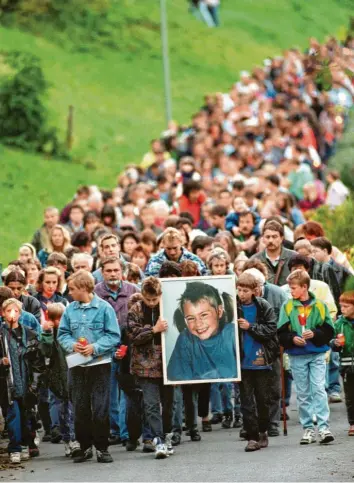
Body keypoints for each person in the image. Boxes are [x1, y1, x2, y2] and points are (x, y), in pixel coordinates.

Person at [57, 270, 120, 463]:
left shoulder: (104, 308)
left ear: (84, 288)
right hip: (77, 365)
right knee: (80, 408)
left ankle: (102, 447)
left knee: (100, 407)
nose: (70, 292)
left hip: (99, 364)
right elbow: (63, 334)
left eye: (73, 289)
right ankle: (84, 447)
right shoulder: (70, 309)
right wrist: (71, 345)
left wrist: (95, 347)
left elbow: (114, 335)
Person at [277, 270, 335, 445]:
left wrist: (315, 334)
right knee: (302, 393)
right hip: (297, 355)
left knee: (318, 388)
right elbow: (281, 332)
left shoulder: (320, 306)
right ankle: (308, 428)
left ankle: (324, 427)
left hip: (317, 353)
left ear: (304, 287)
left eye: (293, 288)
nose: (291, 291)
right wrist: (292, 339)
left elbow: (329, 330)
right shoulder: (287, 306)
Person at [127, 277, 175, 459]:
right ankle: (158, 439)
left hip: (167, 363)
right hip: (145, 365)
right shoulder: (135, 310)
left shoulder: (167, 307)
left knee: (169, 403)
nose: (152, 303)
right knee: (151, 404)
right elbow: (133, 335)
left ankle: (168, 434)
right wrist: (153, 330)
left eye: (155, 299)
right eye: (148, 300)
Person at [94, 256, 139, 446]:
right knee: (109, 392)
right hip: (106, 348)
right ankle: (114, 430)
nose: (113, 274)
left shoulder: (133, 290)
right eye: (109, 271)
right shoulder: (96, 292)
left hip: (130, 346)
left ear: (122, 272)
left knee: (128, 392)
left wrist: (127, 344)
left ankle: (128, 431)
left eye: (116, 270)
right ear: (102, 273)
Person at [236, 273, 278, 452]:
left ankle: (263, 431)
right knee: (246, 401)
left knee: (263, 399)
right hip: (242, 361)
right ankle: (251, 437)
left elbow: (271, 329)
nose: (241, 294)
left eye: (245, 290)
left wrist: (250, 327)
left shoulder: (263, 306)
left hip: (261, 360)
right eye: (239, 290)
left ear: (254, 291)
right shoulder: (234, 307)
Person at [0, 298, 45, 463]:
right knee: (13, 416)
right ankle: (15, 447)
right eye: (8, 311)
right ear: (3, 313)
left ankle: (27, 443)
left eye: (16, 311)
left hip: (27, 383)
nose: (12, 314)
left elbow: (38, 361)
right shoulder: (0, 335)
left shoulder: (30, 334)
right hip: (8, 384)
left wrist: (35, 383)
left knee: (29, 416)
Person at [167, 281, 237, 381]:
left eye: (204, 315)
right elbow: (178, 378)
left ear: (219, 311)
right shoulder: (185, 339)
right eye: (191, 318)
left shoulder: (232, 333)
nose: (198, 324)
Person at [39, 303, 79, 457]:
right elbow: (46, 352)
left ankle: (76, 440)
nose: (60, 321)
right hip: (57, 378)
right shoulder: (51, 335)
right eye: (56, 319)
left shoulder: (71, 333)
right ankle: (68, 439)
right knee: (63, 411)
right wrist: (47, 333)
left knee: (74, 410)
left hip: (73, 375)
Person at [331, 291, 354, 436]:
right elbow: (331, 342)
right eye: (341, 306)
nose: (342, 309)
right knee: (351, 396)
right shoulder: (339, 323)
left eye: (346, 306)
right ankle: (352, 423)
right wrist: (335, 343)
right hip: (346, 365)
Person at [251, 220, 296, 286]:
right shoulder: (254, 260)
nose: (270, 240)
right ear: (263, 238)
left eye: (274, 237)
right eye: (267, 237)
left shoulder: (294, 257)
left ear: (281, 238)